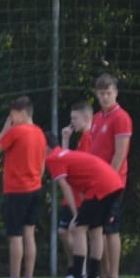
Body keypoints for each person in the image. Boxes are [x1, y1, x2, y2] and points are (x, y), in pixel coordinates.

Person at [45, 138, 126, 278]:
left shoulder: (53, 158)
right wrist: (81, 211)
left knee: (79, 228)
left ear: (45, 146)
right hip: (114, 183)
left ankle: (77, 277)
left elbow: (65, 187)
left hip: (101, 185)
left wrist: (76, 214)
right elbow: (82, 187)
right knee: (96, 229)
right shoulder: (65, 154)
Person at [0, 96, 47, 278]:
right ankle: (28, 277)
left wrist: (5, 130)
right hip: (35, 188)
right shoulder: (39, 133)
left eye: (12, 115)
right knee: (29, 233)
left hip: (16, 189)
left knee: (15, 235)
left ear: (21, 113)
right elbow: (42, 164)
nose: (11, 119)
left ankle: (14, 277)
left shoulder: (15, 131)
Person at [87, 73, 132, 278]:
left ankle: (114, 274)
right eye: (101, 93)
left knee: (111, 229)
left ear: (116, 93)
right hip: (96, 181)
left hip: (113, 182)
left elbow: (120, 152)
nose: (105, 97)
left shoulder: (121, 117)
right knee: (99, 229)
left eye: (108, 93)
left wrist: (109, 178)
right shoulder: (97, 118)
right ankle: (103, 274)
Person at [55, 100, 95, 265]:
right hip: (73, 193)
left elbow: (79, 168)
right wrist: (65, 141)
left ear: (86, 117)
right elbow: (68, 164)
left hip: (81, 195)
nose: (72, 122)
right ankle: (75, 269)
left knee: (76, 230)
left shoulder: (89, 138)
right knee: (64, 231)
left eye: (75, 118)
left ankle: (81, 270)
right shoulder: (82, 139)